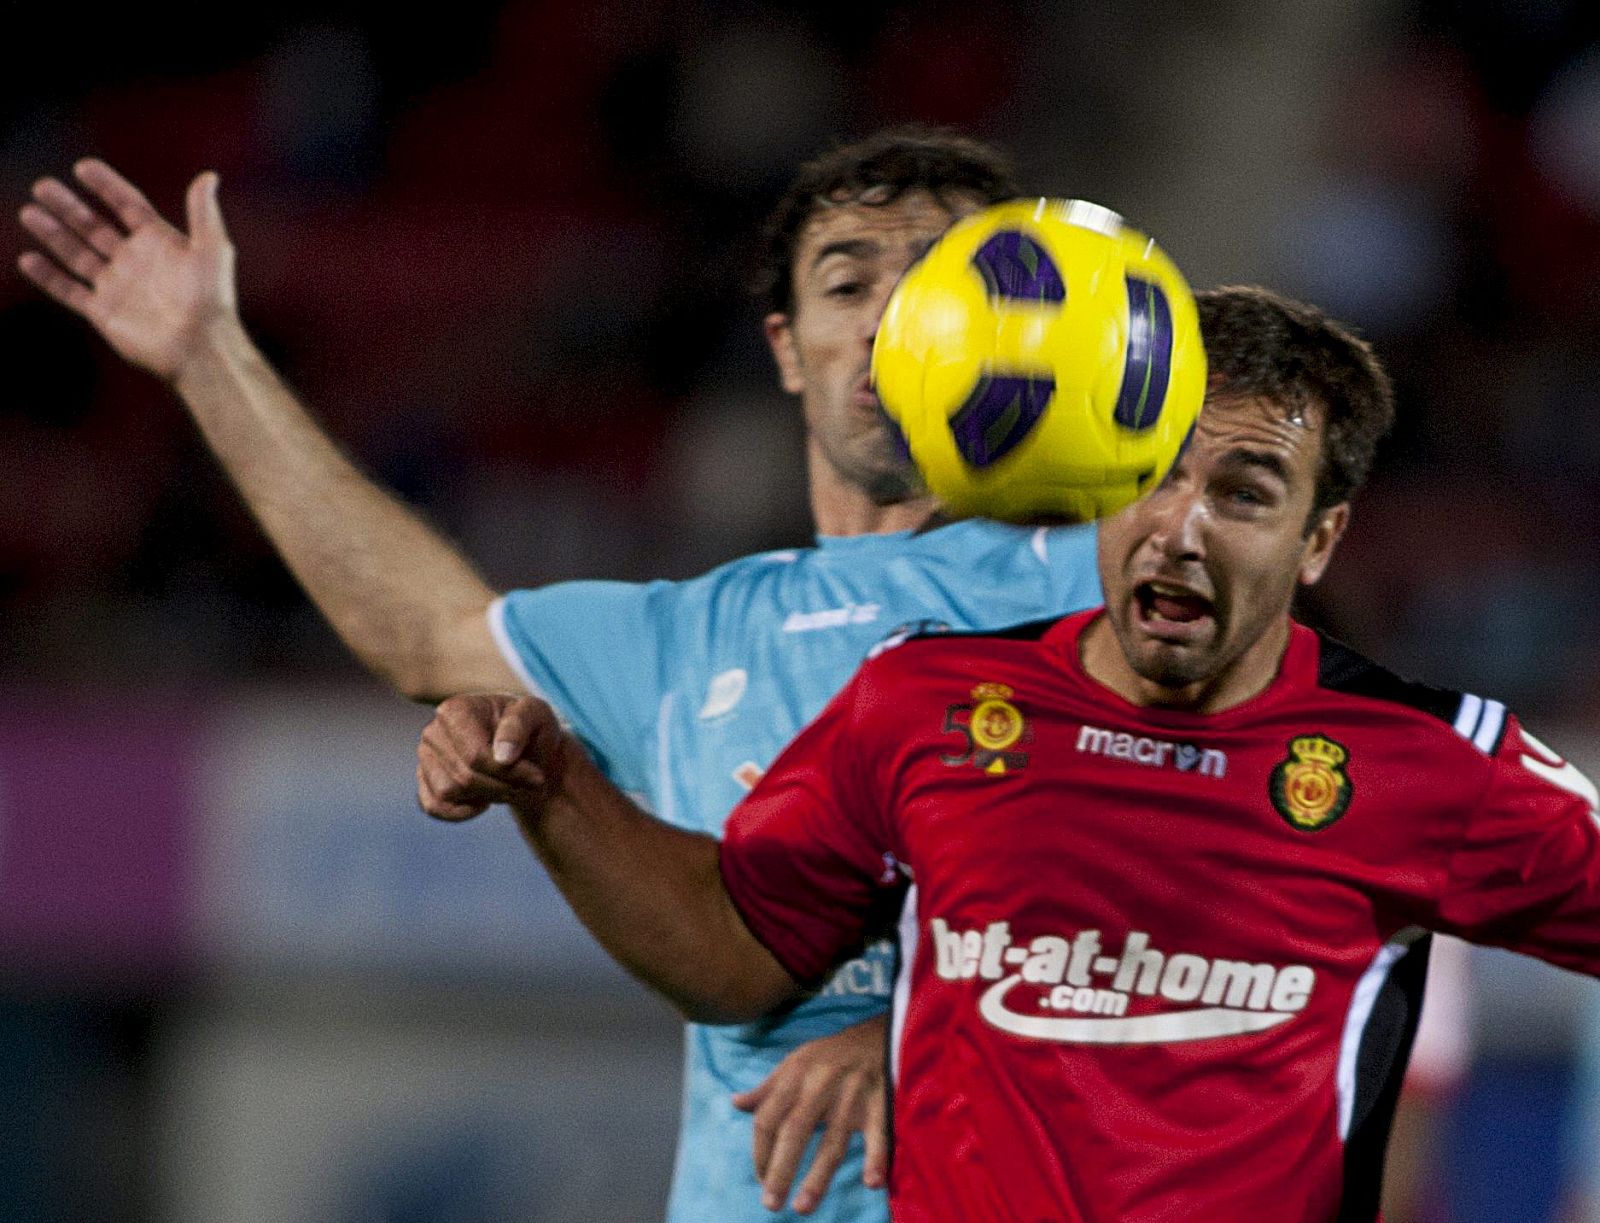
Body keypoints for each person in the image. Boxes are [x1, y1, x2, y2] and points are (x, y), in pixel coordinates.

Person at [15, 129, 1108, 1219]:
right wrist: (211, 354)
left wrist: (926, 1034)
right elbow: (429, 633)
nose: (885, 320)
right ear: (784, 347)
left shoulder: (1115, 585)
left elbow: (1228, 892)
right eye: (847, 282)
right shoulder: (694, 636)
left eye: (936, 283)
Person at [415, 285, 1600, 1222]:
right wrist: (555, 785)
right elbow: (737, 950)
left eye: (1242, 491)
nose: (1178, 526)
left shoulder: (1431, 763)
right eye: (1150, 473)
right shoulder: (924, 699)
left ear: (1319, 540)